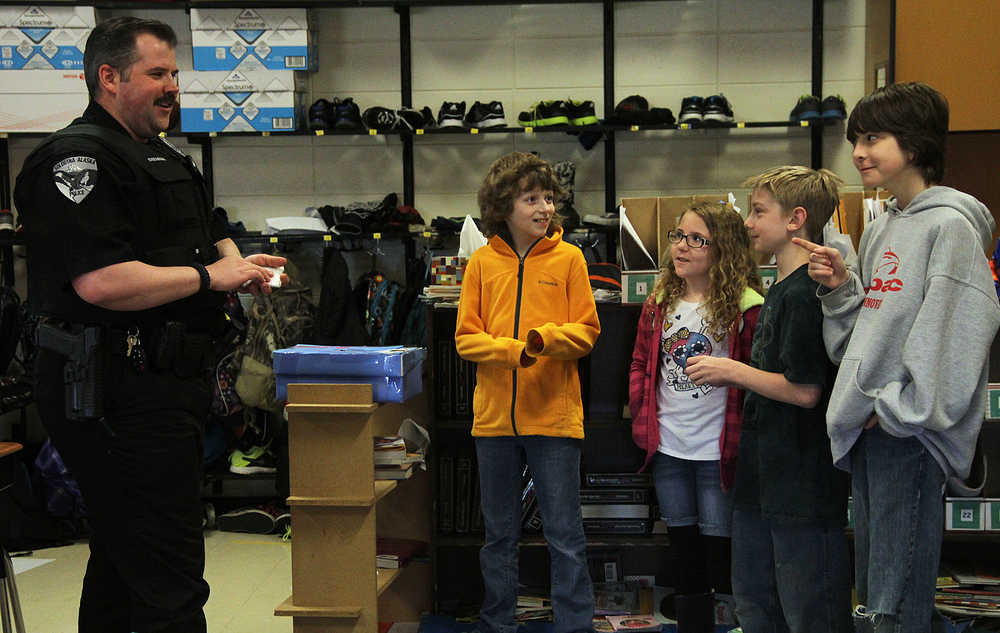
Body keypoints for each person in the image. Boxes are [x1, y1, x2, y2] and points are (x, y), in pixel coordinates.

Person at [13, 17, 286, 633]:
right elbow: (101, 281)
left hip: (161, 384)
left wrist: (235, 263)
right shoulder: (76, 162)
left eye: (175, 75)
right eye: (157, 74)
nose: (173, 89)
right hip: (112, 388)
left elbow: (205, 223)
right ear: (108, 77)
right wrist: (209, 278)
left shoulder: (158, 152)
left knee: (123, 561)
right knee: (168, 571)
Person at [794, 82, 1000, 633]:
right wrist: (840, 287)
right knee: (877, 593)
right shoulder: (883, 222)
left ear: (914, 143)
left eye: (873, 137)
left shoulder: (950, 227)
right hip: (870, 425)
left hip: (907, 432)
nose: (858, 151)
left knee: (893, 601)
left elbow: (958, 333)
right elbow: (862, 333)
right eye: (855, 139)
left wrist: (898, 410)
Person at [684, 166, 852, 633]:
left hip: (801, 483)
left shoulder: (805, 295)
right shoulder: (776, 289)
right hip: (763, 479)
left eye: (759, 212)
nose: (750, 223)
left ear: (796, 219)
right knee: (756, 604)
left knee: (808, 610)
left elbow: (805, 391)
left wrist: (732, 371)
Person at [455, 151, 601, 633]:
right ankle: (498, 622)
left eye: (549, 198)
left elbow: (587, 330)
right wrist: (515, 352)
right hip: (494, 422)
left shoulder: (570, 259)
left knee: (564, 534)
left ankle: (574, 625)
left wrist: (545, 340)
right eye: (531, 198)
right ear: (503, 205)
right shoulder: (480, 264)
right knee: (498, 535)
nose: (544, 208)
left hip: (554, 420)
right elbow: (465, 339)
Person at [628, 202, 763, 632]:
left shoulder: (746, 307)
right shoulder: (660, 301)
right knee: (682, 538)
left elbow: (759, 379)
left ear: (722, 249)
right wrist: (640, 416)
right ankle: (693, 622)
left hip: (717, 450)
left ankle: (727, 620)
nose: (681, 248)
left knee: (718, 541)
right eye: (678, 236)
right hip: (668, 444)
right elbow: (639, 362)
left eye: (696, 240)